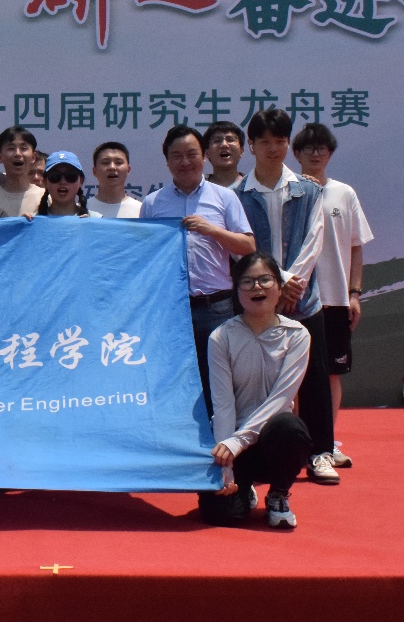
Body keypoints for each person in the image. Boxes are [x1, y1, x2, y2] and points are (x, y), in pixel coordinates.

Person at [234, 109, 336, 485]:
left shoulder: (309, 190)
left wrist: (292, 281)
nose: (273, 149)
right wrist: (273, 285)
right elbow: (241, 247)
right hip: (259, 302)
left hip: (302, 300)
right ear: (251, 146)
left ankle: (321, 452)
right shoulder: (237, 195)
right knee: (256, 380)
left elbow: (314, 238)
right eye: (265, 142)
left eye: (280, 141)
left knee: (314, 381)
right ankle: (255, 454)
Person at [140, 125, 256, 418]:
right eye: (176, 155)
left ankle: (220, 439)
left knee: (218, 380)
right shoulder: (152, 203)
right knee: (172, 379)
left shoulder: (224, 197)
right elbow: (145, 257)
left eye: (192, 154)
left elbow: (248, 246)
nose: (185, 162)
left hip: (215, 306)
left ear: (204, 156)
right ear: (167, 161)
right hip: (171, 309)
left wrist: (211, 230)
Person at [199, 252, 312, 529]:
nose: (257, 288)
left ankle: (278, 494)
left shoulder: (297, 336)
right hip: (234, 444)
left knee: (290, 427)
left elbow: (281, 399)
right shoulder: (221, 337)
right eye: (247, 282)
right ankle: (244, 487)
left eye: (265, 280)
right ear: (236, 290)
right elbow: (223, 404)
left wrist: (239, 441)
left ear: (279, 287)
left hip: (271, 440)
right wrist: (225, 465)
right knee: (220, 514)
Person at [293, 122, 373, 469]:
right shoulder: (290, 191)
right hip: (297, 298)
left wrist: (354, 292)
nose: (316, 153)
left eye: (322, 148)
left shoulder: (344, 193)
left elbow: (356, 246)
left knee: (331, 374)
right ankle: (298, 444)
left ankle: (327, 442)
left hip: (336, 298)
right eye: (308, 148)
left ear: (330, 153)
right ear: (297, 153)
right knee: (295, 375)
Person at [0, 126, 44, 217]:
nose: (18, 154)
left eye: (23, 148)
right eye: (11, 148)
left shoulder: (46, 197)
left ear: (33, 157)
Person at [86, 142, 141, 218]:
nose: (112, 167)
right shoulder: (81, 210)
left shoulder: (141, 210)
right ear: (94, 171)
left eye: (118, 162)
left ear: (128, 170)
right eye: (105, 163)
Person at [35, 151, 96, 217]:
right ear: (45, 181)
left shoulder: (95, 219)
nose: (63, 181)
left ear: (81, 181)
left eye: (70, 175)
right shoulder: (33, 220)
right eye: (55, 175)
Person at [203, 121, 246, 188]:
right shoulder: (197, 188)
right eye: (217, 140)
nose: (224, 145)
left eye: (230, 140)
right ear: (207, 153)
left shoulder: (254, 187)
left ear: (241, 151)